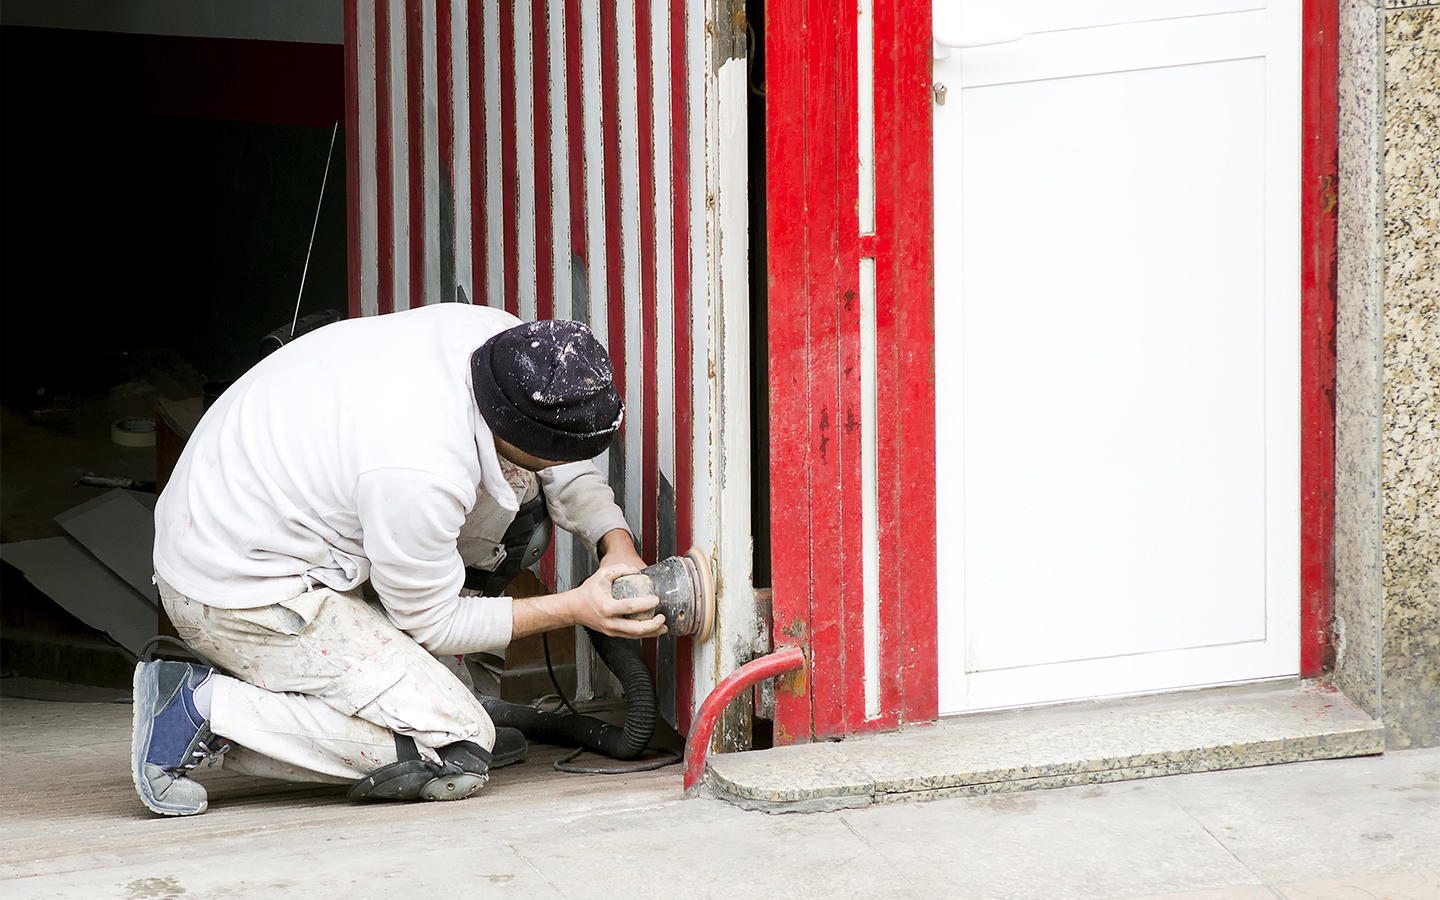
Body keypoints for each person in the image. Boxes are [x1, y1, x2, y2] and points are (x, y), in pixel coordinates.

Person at [133, 304, 666, 816]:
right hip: (241, 586)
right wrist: (576, 607)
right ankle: (200, 712)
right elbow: (434, 621)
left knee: (522, 499)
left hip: (250, 508)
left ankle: (424, 693)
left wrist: (613, 540)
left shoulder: (508, 348)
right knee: (456, 750)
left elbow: (556, 462)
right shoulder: (421, 470)